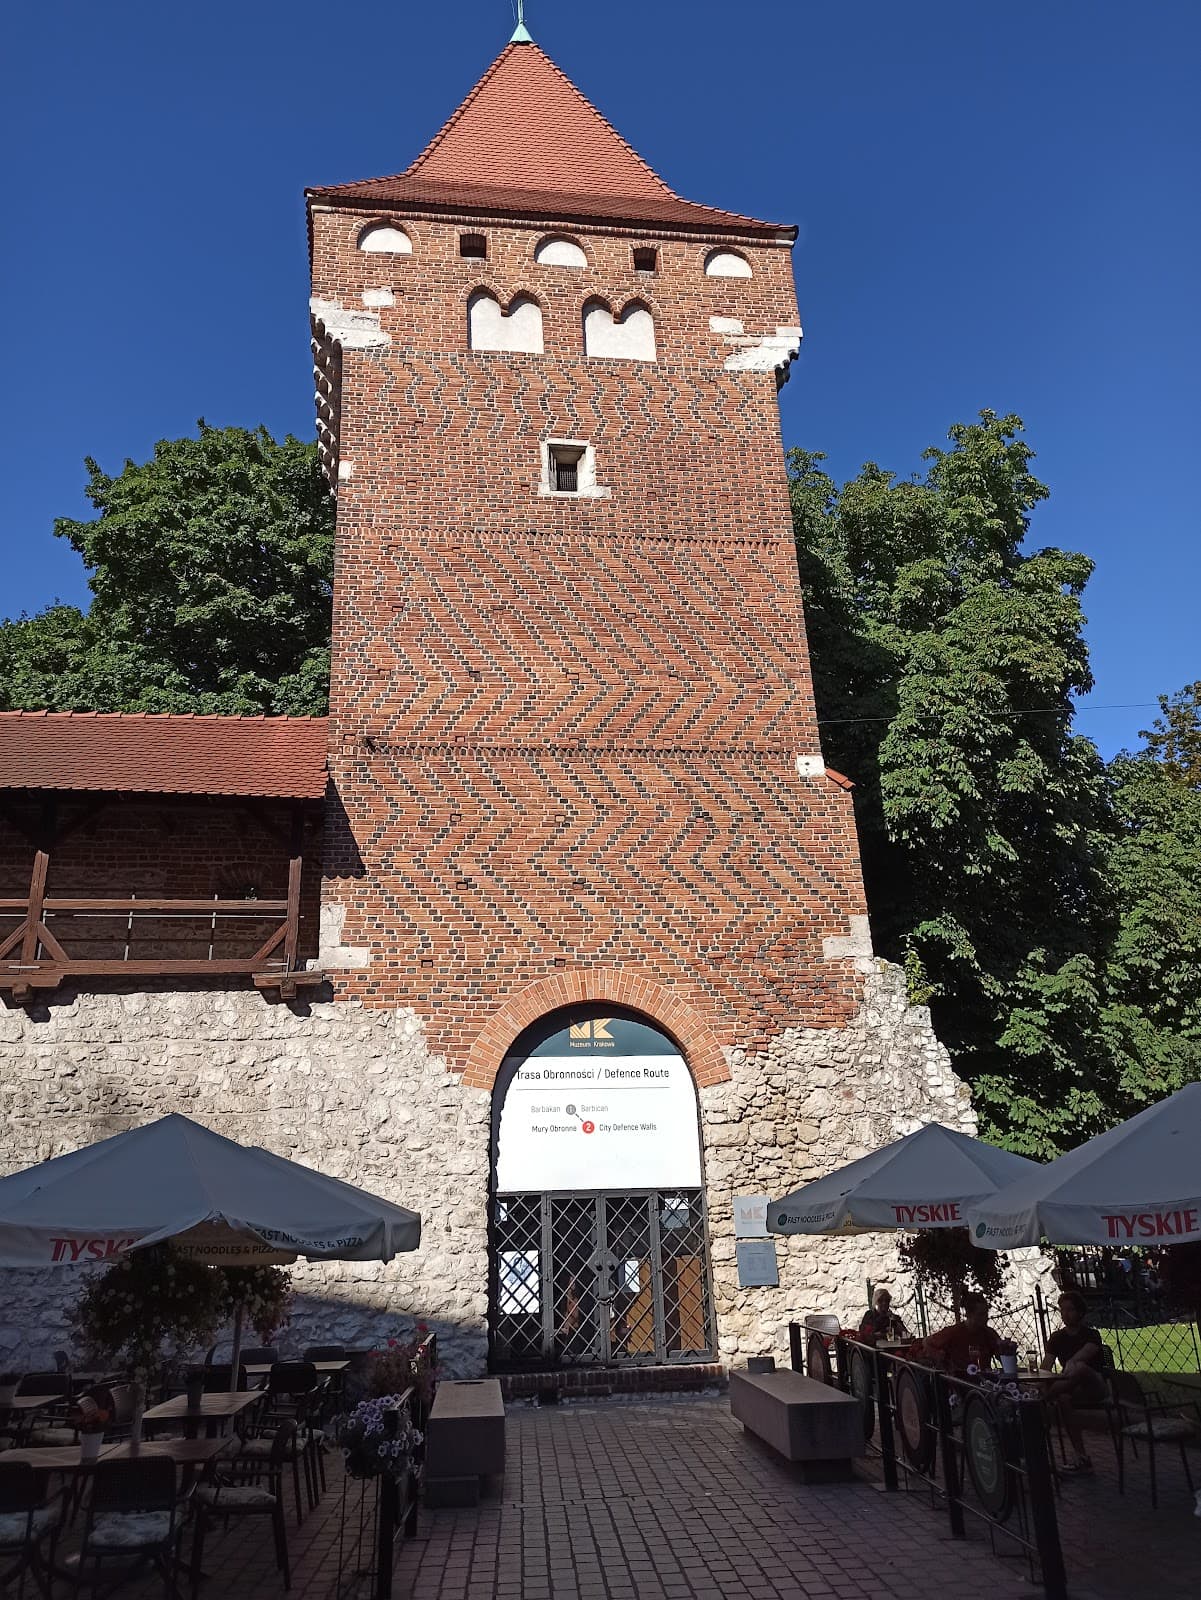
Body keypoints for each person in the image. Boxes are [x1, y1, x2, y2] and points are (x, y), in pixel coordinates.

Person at [1040, 1289, 1107, 1475]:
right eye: (1062, 1310)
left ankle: (1042, 1399)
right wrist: (1039, 1378)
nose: (1065, 1314)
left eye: (1070, 1310)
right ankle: (1081, 1456)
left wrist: (1063, 1373)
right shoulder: (1056, 1338)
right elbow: (1046, 1366)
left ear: (1080, 1312)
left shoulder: (1092, 1335)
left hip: (1094, 1386)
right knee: (1063, 1399)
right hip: (1071, 1388)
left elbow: (1078, 1360)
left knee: (1080, 1368)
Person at [914, 1292, 1003, 1372]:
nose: (985, 1318)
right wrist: (939, 1359)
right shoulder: (954, 1332)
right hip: (959, 1380)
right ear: (968, 1314)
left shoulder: (989, 1334)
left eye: (986, 1314)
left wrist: (1007, 1351)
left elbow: (1002, 1356)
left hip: (985, 1381)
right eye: (980, 1315)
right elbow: (926, 1342)